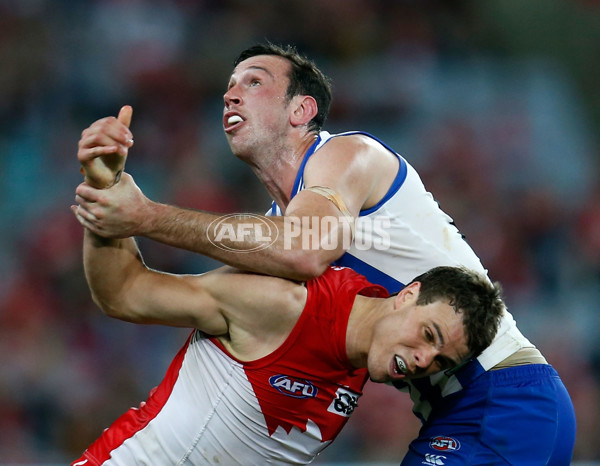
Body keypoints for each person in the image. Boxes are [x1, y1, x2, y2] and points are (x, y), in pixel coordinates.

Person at [73, 43, 576, 464]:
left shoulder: (348, 155)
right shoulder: (276, 232)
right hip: (473, 409)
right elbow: (127, 293)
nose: (231, 92)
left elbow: (305, 252)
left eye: (254, 82)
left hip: (501, 401)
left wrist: (145, 217)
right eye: (229, 84)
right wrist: (106, 189)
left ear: (302, 109)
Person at [69, 217, 503, 465]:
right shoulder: (286, 304)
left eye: (440, 360)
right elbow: (123, 293)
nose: (424, 359)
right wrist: (106, 195)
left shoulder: (364, 355)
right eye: (428, 335)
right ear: (407, 295)